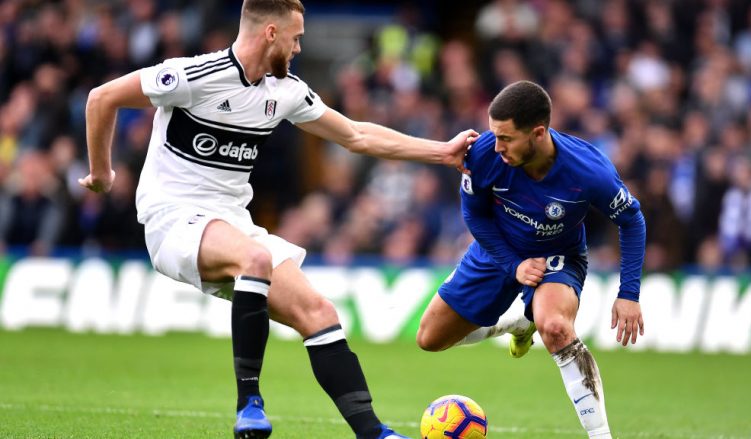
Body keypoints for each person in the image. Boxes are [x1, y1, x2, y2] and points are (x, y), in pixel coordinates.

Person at [78, 1, 476, 438]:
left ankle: (373, 433)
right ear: (271, 33)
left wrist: (441, 151)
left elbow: (357, 135)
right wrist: (102, 172)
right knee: (255, 259)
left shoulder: (285, 91)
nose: (299, 47)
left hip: (231, 223)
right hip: (173, 219)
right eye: (296, 37)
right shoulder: (195, 75)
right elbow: (102, 98)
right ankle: (249, 403)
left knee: (319, 312)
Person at [415, 80, 646, 439]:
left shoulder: (589, 171)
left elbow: (632, 220)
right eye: (494, 134)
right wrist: (513, 265)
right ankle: (516, 324)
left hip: (559, 254)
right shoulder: (484, 153)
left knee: (555, 327)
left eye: (506, 137)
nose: (497, 145)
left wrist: (629, 294)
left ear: (538, 133)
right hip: (497, 250)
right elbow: (475, 216)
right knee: (429, 338)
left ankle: (601, 436)